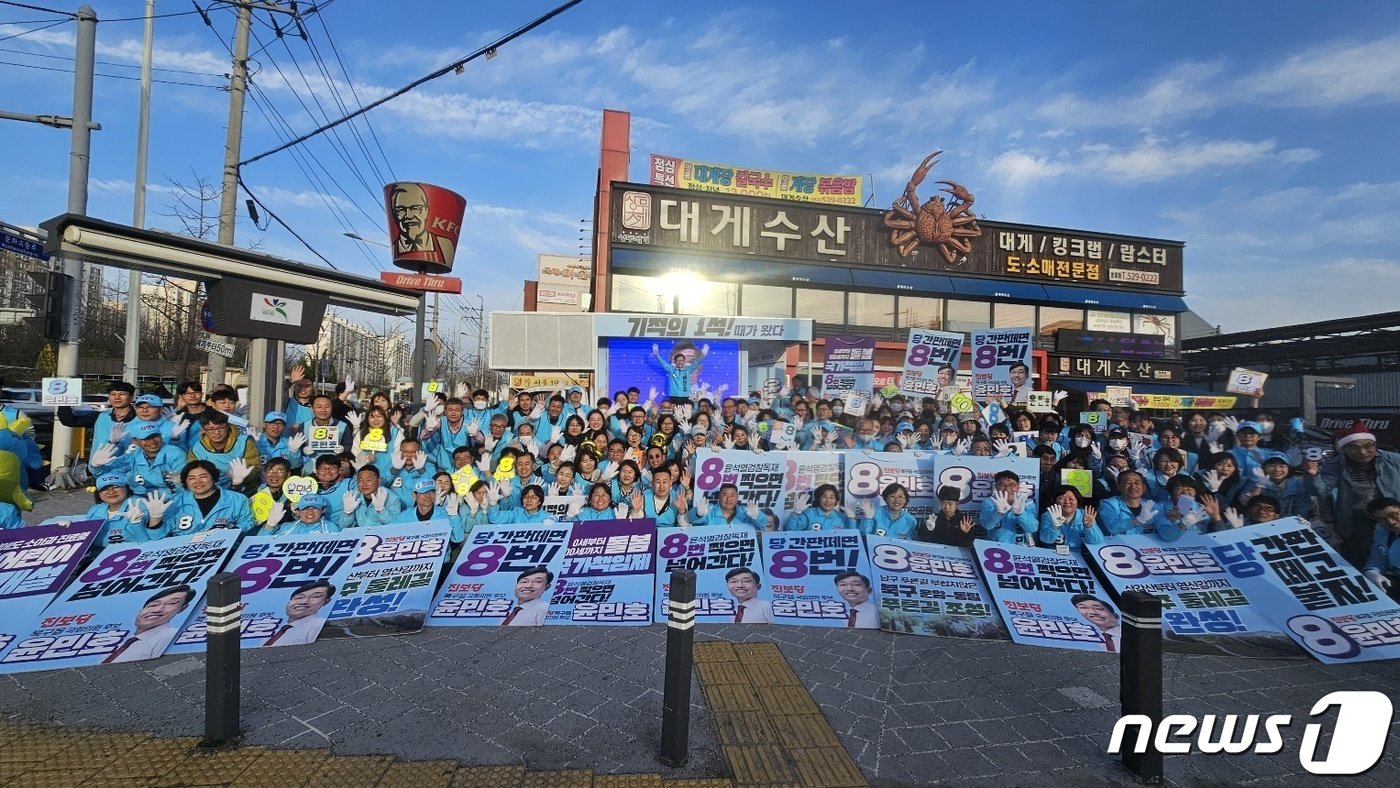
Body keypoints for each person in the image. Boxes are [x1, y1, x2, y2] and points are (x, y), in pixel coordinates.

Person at [1307, 421, 1400, 567]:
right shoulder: (1335, 465)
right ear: (1344, 449)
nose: (1362, 452)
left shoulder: (1393, 460)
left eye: (1368, 445)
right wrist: (1313, 476)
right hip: (1357, 520)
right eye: (1354, 447)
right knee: (1361, 559)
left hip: (1393, 515)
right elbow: (1321, 491)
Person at [152, 460, 254, 535]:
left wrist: (231, 531)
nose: (198, 481)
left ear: (213, 478)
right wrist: (155, 518)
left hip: (223, 548)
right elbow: (157, 536)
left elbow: (247, 522)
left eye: (203, 476)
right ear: (185, 482)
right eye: (191, 478)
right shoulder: (175, 502)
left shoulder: (237, 499)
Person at [104, 585, 195, 663]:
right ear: (140, 611)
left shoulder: (170, 636)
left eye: (171, 603)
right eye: (153, 605)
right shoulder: (118, 643)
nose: (157, 610)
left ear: (182, 608)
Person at [56, 380, 137, 459]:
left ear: (131, 397)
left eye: (122, 394)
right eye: (113, 394)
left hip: (131, 467)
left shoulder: (141, 418)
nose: (117, 397)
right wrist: (65, 400)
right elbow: (69, 421)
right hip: (99, 467)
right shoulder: (100, 416)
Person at [264, 580, 335, 647]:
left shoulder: (319, 626)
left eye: (315, 597)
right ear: (289, 602)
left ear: (326, 602)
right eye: (299, 597)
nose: (304, 602)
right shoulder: (274, 629)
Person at [978, 471, 1036, 545]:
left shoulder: (1027, 503)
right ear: (996, 486)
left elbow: (1032, 528)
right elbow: (987, 525)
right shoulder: (989, 502)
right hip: (996, 548)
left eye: (1012, 485)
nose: (1007, 489)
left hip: (1021, 548)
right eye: (1002, 485)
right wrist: (998, 513)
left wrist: (1021, 514)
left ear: (1018, 486)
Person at [918, 485, 985, 547]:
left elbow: (967, 544)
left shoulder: (965, 520)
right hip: (936, 554)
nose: (946, 507)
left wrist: (965, 533)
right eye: (943, 503)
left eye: (950, 504)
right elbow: (922, 538)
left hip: (957, 556)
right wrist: (928, 530)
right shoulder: (933, 519)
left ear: (957, 504)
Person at [1038, 486, 1103, 549]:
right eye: (1062, 498)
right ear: (1055, 501)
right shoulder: (1048, 515)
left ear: (1077, 502)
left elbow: (1097, 541)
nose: (1067, 501)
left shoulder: (1086, 515)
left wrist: (1089, 526)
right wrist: (1055, 527)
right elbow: (1045, 539)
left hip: (1079, 554)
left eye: (1071, 498)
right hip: (1054, 554)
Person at [1363, 497, 1400, 599]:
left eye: (1394, 515)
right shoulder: (1381, 529)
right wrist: (1372, 573)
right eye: (1382, 519)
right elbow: (1378, 557)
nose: (1391, 522)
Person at [786, 484, 850, 531]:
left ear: (836, 500)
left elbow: (853, 536)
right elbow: (791, 532)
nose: (828, 500)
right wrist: (796, 512)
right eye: (824, 497)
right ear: (819, 499)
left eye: (831, 497)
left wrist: (852, 519)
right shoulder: (808, 514)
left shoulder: (841, 517)